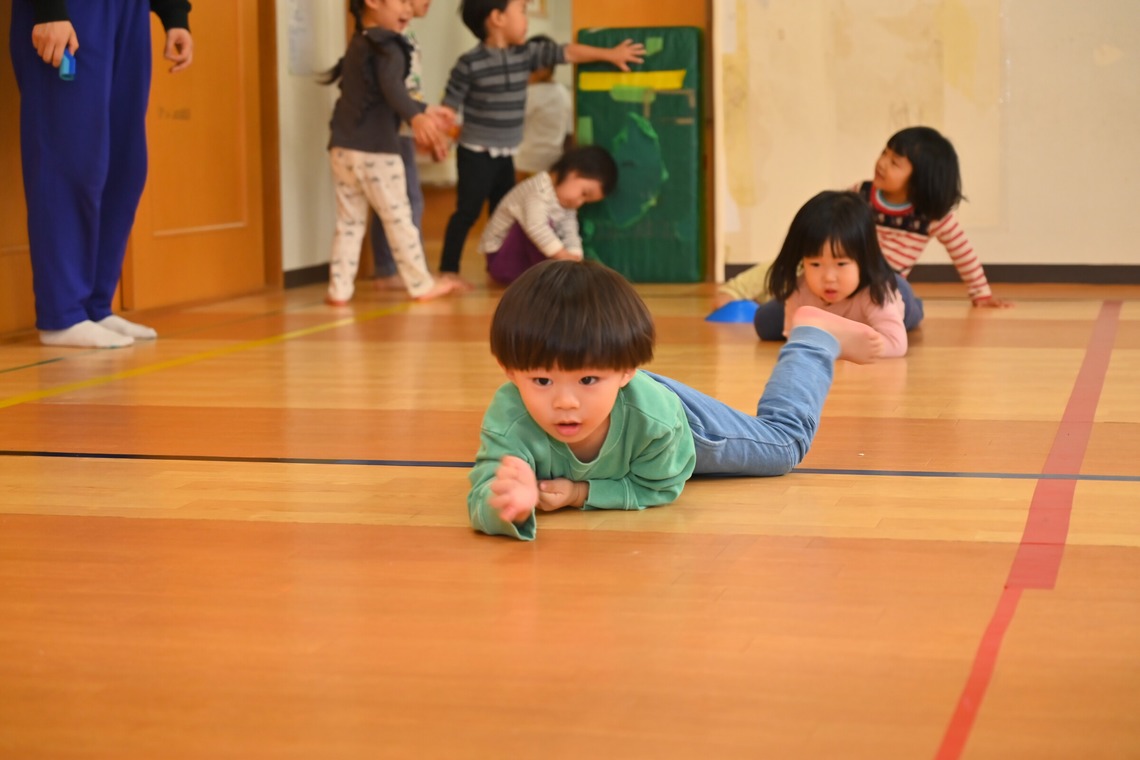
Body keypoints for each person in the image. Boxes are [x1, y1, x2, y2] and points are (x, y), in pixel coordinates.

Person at [467, 259, 885, 541]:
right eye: (541, 380)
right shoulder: (509, 418)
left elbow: (661, 486)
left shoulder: (657, 420)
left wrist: (580, 493)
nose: (565, 402)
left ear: (626, 370)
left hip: (681, 427)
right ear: (509, 369)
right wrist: (509, 505)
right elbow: (483, 495)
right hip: (633, 422)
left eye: (588, 379)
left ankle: (813, 338)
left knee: (784, 447)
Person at [10, 0, 193, 348]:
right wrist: (49, 10)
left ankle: (95, 305)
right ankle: (62, 314)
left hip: (129, 11)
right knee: (69, 156)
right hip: (71, 10)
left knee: (125, 164)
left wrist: (173, 13)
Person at [437, 0, 645, 290]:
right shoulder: (469, 63)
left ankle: (506, 267)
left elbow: (568, 52)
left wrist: (609, 54)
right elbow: (449, 104)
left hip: (507, 152)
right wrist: (441, 130)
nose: (526, 20)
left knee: (505, 210)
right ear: (497, 18)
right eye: (521, 11)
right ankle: (448, 270)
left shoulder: (526, 55)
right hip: (476, 151)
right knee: (467, 211)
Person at [715, 126, 1013, 314]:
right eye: (885, 153)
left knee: (900, 293)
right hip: (839, 271)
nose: (882, 163)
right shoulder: (862, 193)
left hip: (879, 281)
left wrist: (981, 295)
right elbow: (830, 219)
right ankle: (738, 292)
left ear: (921, 179)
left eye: (895, 162)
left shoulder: (933, 217)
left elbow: (964, 254)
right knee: (799, 266)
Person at [322, 0, 458, 305]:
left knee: (349, 223)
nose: (408, 9)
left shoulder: (360, 42)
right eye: (401, 1)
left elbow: (380, 93)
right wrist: (416, 117)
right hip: (377, 152)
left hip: (342, 148)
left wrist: (424, 110)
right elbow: (393, 87)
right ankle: (421, 284)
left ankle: (339, 289)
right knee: (399, 217)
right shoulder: (390, 45)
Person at [750, 191, 915, 356]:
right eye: (815, 264)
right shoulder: (800, 289)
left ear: (864, 260)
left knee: (903, 305)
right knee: (765, 323)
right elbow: (796, 341)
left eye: (841, 264)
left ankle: (911, 302)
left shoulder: (876, 293)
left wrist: (851, 349)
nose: (828, 278)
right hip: (821, 305)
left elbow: (896, 343)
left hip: (887, 289)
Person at [367, 0, 433, 293]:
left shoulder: (404, 35)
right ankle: (394, 270)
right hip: (392, 129)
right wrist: (417, 118)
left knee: (405, 199)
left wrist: (424, 117)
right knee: (401, 201)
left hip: (405, 127)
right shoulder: (383, 40)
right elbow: (392, 89)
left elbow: (408, 89)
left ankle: (402, 269)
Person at [480, 145, 617, 285]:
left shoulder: (566, 204)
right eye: (584, 193)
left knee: (559, 230)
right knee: (540, 225)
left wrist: (575, 258)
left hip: (523, 262)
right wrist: (563, 256)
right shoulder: (537, 190)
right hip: (501, 261)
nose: (579, 202)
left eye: (586, 201)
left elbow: (570, 232)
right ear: (573, 172)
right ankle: (551, 278)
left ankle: (554, 276)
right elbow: (536, 227)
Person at [514, 35, 574, 178]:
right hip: (553, 163)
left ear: (541, 69)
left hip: (525, 164)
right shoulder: (563, 92)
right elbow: (569, 133)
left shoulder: (530, 94)